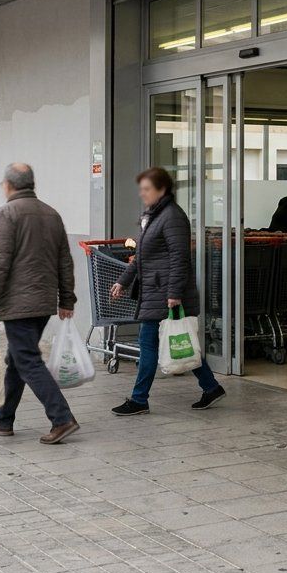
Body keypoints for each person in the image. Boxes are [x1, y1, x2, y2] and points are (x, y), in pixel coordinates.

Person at [0, 163, 80, 445]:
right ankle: (3, 420)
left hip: (19, 303)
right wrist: (66, 299)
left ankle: (62, 418)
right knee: (17, 359)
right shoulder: (51, 214)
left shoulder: (6, 214)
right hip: (43, 302)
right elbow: (65, 262)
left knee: (28, 361)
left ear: (8, 185)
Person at [110, 167, 227, 414]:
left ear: (161, 189)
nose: (142, 194)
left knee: (150, 342)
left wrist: (174, 294)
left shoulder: (172, 216)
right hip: (155, 290)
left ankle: (139, 399)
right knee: (180, 341)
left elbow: (180, 257)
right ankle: (211, 386)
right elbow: (141, 257)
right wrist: (123, 281)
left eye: (147, 189)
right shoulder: (154, 216)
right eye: (141, 189)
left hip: (165, 292)